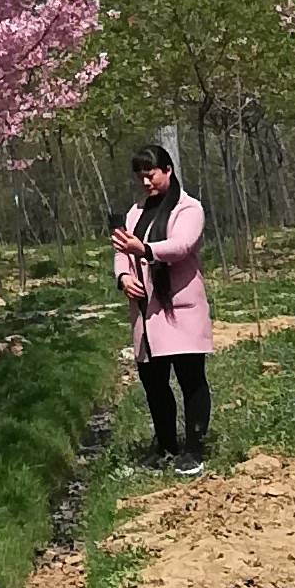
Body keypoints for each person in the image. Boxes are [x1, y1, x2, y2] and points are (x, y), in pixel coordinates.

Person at [111, 145, 213, 462]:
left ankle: (194, 448)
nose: (146, 183)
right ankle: (166, 446)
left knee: (190, 379)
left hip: (179, 308)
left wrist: (144, 249)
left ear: (168, 170)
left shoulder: (189, 208)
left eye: (151, 174)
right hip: (146, 310)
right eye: (140, 177)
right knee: (154, 382)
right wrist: (124, 278)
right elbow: (122, 253)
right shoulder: (136, 211)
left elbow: (181, 246)